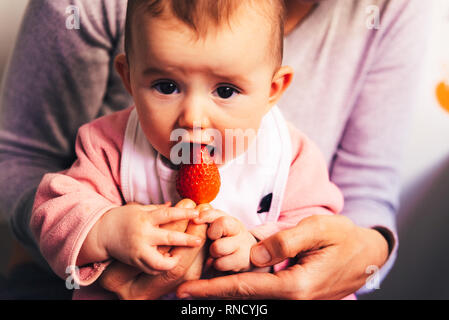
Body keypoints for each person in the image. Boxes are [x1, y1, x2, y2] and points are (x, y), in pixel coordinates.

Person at [0, 0, 431, 299]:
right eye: (166, 86)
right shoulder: (106, 144)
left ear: (274, 89)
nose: (194, 117)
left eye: (225, 90)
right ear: (128, 78)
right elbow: (52, 205)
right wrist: (103, 229)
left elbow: (315, 226)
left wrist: (256, 247)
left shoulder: (291, 155)